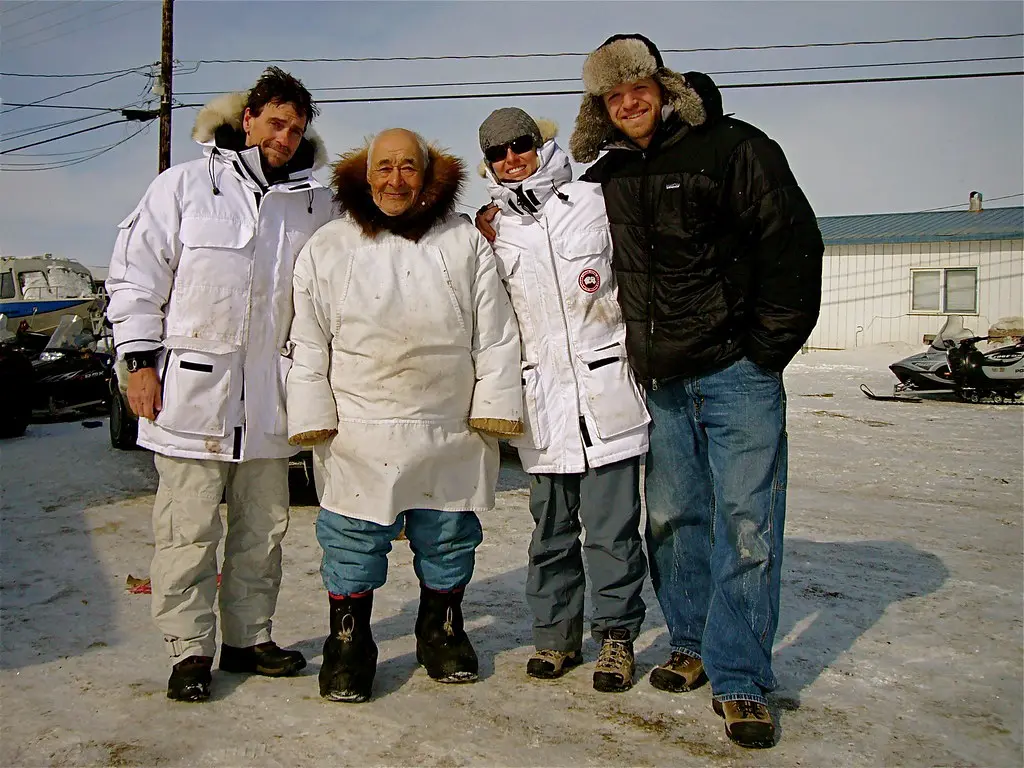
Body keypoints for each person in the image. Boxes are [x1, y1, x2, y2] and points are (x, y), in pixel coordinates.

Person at [566, 34, 824, 748]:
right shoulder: (610, 173)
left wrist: (766, 348)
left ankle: (739, 674)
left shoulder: (734, 146)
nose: (629, 101)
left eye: (638, 86)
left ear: (662, 84)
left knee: (746, 521)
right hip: (665, 378)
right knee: (675, 519)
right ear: (602, 108)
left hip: (737, 371)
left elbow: (793, 242)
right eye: (613, 96)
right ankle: (688, 641)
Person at [105, 67, 335, 702]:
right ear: (249, 118)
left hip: (271, 401)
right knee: (188, 531)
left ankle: (247, 636)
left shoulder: (314, 205)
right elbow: (136, 276)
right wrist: (139, 361)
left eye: (296, 127)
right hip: (191, 398)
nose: (284, 136)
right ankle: (188, 650)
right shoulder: (183, 186)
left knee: (263, 531)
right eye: (275, 121)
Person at [286, 128, 522, 704]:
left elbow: (494, 335)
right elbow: (309, 339)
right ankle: (350, 642)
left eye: (408, 168)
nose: (396, 180)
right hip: (359, 428)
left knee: (447, 536)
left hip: (448, 426)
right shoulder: (329, 246)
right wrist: (312, 412)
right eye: (384, 168)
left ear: (427, 174)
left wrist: (493, 407)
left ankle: (440, 629)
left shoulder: (463, 242)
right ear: (366, 177)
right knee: (351, 542)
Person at [476, 108, 649, 692]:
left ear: (539, 141)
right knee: (550, 534)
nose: (511, 159)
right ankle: (554, 639)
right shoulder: (492, 230)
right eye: (497, 153)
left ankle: (617, 640)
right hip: (543, 407)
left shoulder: (594, 201)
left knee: (612, 533)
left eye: (520, 144)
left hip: (607, 396)